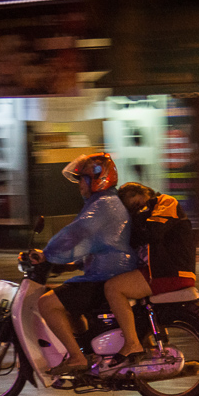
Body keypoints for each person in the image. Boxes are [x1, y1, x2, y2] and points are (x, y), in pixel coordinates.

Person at [30, 153, 136, 376]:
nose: (79, 184)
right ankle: (86, 350)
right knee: (67, 303)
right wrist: (71, 265)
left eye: (82, 179)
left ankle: (76, 357)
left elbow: (75, 234)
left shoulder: (103, 205)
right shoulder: (103, 203)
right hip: (106, 271)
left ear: (98, 179)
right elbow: (96, 244)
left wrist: (46, 254)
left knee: (47, 303)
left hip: (105, 276)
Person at [103, 182, 196, 369]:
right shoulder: (143, 217)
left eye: (137, 204)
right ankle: (143, 345)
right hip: (159, 271)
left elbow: (154, 231)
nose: (138, 209)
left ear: (145, 192)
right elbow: (131, 240)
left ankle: (132, 343)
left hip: (171, 271)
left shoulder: (166, 202)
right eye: (132, 209)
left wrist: (136, 217)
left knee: (113, 288)